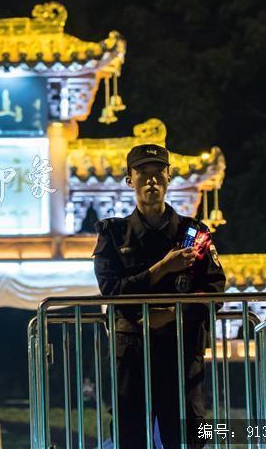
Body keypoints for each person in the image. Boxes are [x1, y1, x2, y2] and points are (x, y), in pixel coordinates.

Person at [93, 143, 225, 448]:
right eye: (142, 173)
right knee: (130, 436)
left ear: (169, 177)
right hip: (132, 353)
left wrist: (170, 314)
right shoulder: (114, 234)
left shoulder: (195, 234)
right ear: (130, 180)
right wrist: (162, 269)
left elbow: (215, 291)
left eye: (158, 173)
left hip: (181, 350)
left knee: (186, 436)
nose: (151, 180)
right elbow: (111, 291)